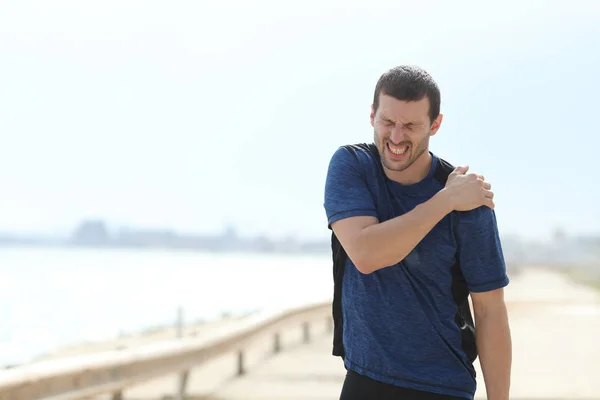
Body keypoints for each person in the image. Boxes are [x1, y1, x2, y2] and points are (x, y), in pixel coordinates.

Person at [323, 65, 511, 400]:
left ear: (435, 124)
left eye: (410, 125)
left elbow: (490, 311)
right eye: (388, 122)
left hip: (444, 387)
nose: (396, 137)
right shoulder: (352, 167)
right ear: (372, 116)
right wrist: (445, 201)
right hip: (365, 380)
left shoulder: (470, 201)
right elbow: (367, 254)